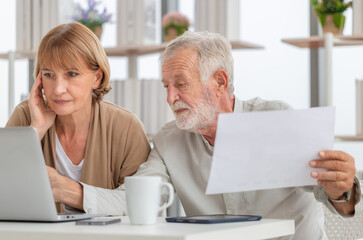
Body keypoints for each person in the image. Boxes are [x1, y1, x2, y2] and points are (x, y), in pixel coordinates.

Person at [132, 31, 361, 239]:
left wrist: (340, 186)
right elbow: (139, 193)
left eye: (180, 84)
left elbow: (337, 198)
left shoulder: (277, 120)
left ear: (220, 82)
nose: (170, 98)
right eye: (166, 86)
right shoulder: (168, 141)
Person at [6, 22, 151, 214]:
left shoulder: (126, 128)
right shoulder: (26, 117)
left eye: (71, 74)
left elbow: (143, 210)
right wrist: (36, 130)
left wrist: (68, 191)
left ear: (97, 78)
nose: (58, 89)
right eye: (49, 75)